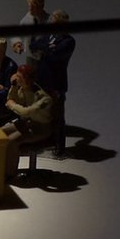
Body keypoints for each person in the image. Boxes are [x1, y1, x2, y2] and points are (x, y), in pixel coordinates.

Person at [30, 9, 76, 157]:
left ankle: (59, 147)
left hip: (56, 83)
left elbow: (55, 57)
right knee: (41, 112)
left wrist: (45, 50)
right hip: (41, 80)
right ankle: (44, 141)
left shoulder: (68, 41)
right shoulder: (48, 36)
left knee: (57, 116)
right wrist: (47, 48)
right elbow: (34, 45)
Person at [2, 65, 54, 178]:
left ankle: (9, 173)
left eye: (20, 77)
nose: (17, 79)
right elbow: (10, 99)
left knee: (11, 141)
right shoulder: (22, 89)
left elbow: (26, 112)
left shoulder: (43, 97)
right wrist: (13, 86)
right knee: (0, 133)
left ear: (28, 79)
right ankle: (0, 165)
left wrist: (12, 105)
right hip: (27, 123)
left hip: (40, 128)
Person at [11, 0, 50, 66]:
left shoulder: (49, 20)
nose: (30, 9)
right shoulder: (27, 19)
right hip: (31, 56)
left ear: (41, 7)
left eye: (33, 7)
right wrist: (17, 43)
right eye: (29, 6)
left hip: (45, 57)